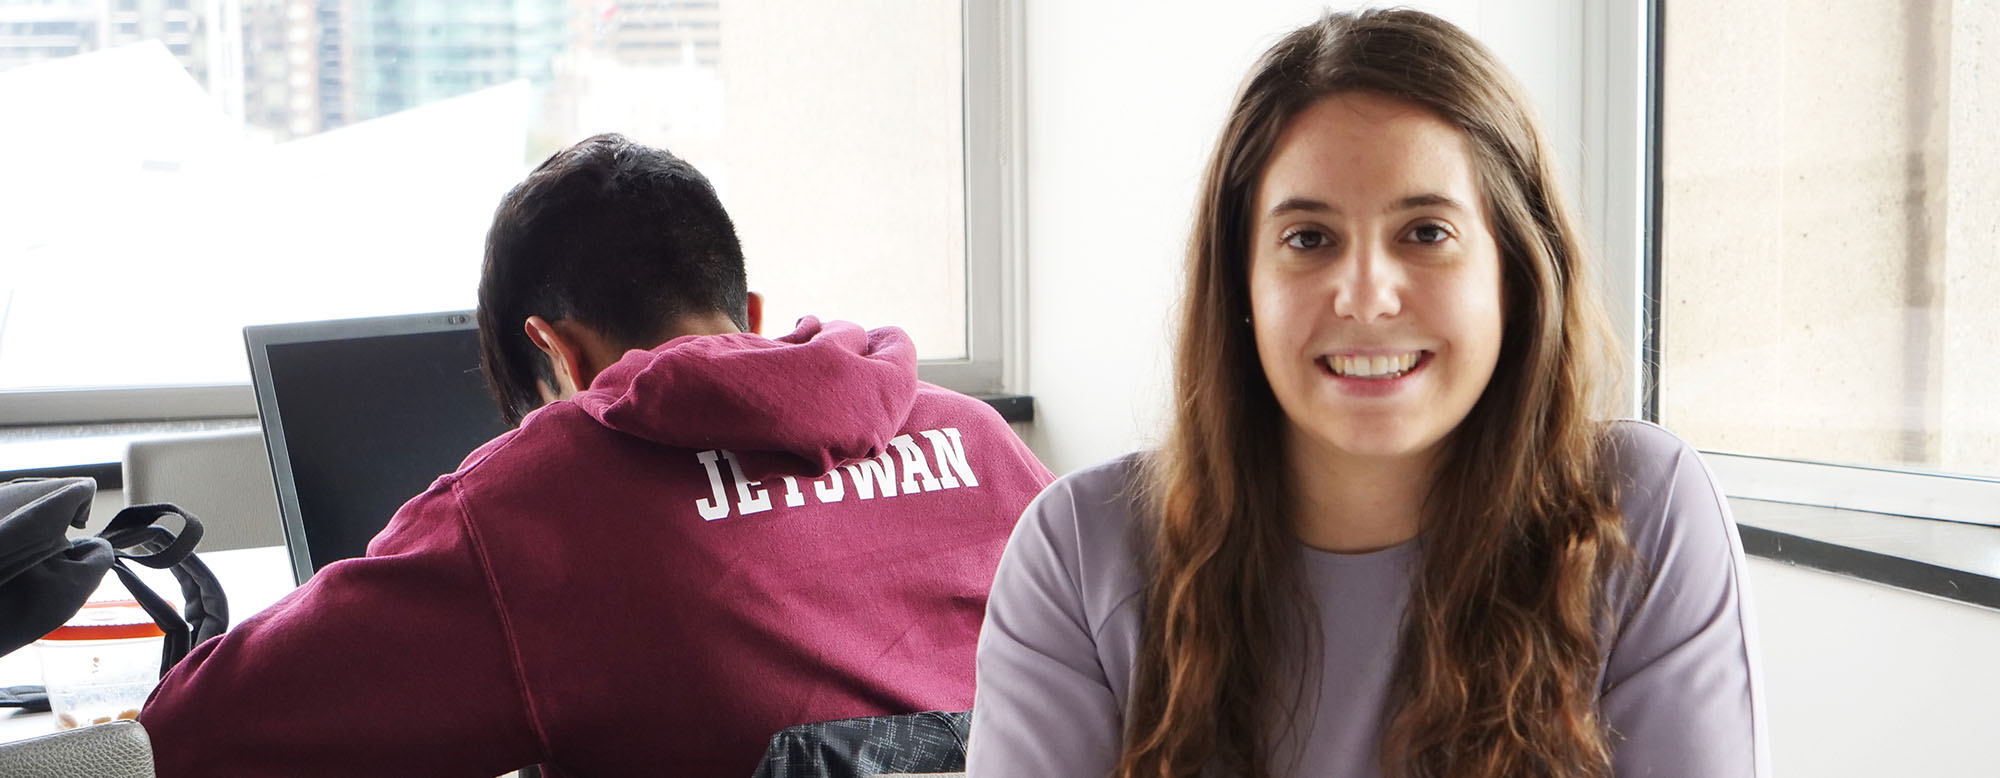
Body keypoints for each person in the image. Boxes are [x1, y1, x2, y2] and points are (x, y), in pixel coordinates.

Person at [967, 9, 1766, 778]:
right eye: (1308, 239)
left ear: (1515, 274)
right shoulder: (1078, 555)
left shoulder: (1643, 509)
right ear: (1242, 284)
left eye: (1427, 233)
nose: (1365, 295)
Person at [139, 133, 1054, 777]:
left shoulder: (542, 507)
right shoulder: (980, 443)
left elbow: (195, 739)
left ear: (558, 355)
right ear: (752, 319)